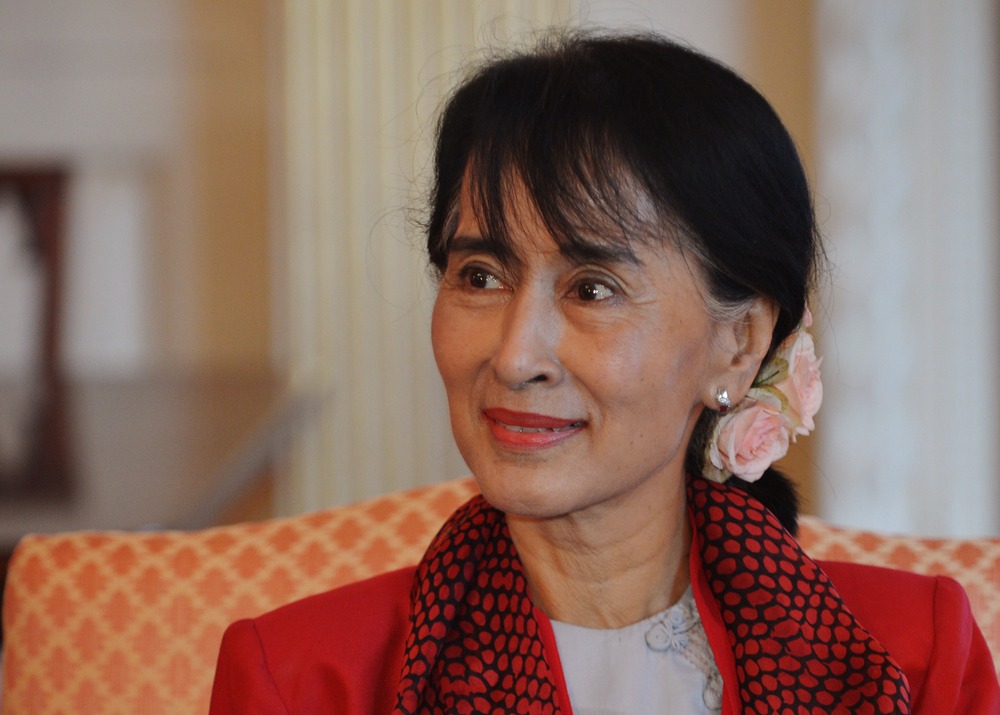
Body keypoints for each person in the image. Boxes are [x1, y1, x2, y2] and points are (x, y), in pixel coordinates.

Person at [209, 31, 999, 714]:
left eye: (593, 289)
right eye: (480, 275)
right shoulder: (305, 680)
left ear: (740, 344)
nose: (515, 356)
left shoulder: (911, 659)